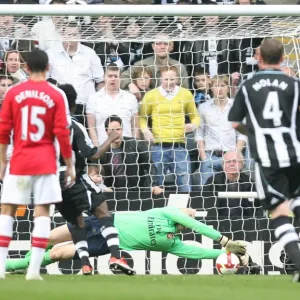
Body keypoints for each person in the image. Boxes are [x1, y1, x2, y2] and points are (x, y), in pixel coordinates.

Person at [228, 38, 300, 282]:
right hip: (295, 153)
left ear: (258, 58)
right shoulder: (294, 83)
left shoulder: (248, 85)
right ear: (283, 58)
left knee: (279, 212)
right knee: (296, 201)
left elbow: (235, 122)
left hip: (267, 158)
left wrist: (256, 133)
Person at [0, 49, 74, 280]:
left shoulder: (14, 92)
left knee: (7, 210)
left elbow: (3, 130)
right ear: (48, 66)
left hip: (20, 161)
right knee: (42, 213)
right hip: (46, 162)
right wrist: (69, 164)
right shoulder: (57, 94)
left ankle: (1, 268)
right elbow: (62, 132)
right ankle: (33, 271)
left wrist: (2, 161)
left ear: (27, 68)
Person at [5, 207, 248, 273]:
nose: (188, 213)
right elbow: (197, 225)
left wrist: (225, 255)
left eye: (190, 215)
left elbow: (195, 252)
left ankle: (13, 266)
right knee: (47, 239)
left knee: (58, 254)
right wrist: (223, 239)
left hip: (106, 244)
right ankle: (26, 263)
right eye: (188, 211)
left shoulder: (172, 243)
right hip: (102, 222)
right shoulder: (165, 212)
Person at [57, 84, 135, 275]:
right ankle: (116, 256)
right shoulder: (73, 126)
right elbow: (93, 155)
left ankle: (85, 264)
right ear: (74, 105)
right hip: (75, 178)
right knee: (103, 213)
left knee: (77, 223)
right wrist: (111, 137)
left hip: (54, 184)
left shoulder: (46, 126)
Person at [140, 66, 200, 192]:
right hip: (158, 147)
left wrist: (193, 125)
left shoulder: (185, 94)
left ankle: (185, 210)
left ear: (177, 78)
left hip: (179, 146)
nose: (169, 82)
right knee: (156, 184)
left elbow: (195, 117)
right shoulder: (151, 95)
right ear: (160, 79)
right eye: (166, 79)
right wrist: (146, 131)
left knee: (184, 184)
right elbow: (142, 118)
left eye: (172, 79)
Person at [99, 115, 163, 193]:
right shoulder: (102, 151)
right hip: (113, 192)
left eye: (118, 129)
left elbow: (150, 165)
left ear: (122, 130)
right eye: (112, 130)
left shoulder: (135, 144)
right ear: (106, 132)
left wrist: (154, 185)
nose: (115, 133)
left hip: (136, 191)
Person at [86, 63, 139, 147]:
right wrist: (97, 148)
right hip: (103, 149)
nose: (113, 79)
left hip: (127, 149)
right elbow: (91, 127)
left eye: (115, 76)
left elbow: (135, 126)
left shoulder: (131, 98)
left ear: (120, 78)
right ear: (104, 77)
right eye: (110, 76)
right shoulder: (93, 99)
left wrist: (134, 147)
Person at [202, 150, 258, 218]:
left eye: (235, 161)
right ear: (223, 165)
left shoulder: (250, 183)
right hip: (218, 222)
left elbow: (257, 210)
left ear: (242, 164)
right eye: (228, 162)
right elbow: (203, 204)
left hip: (244, 223)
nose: (231, 164)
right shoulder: (212, 181)